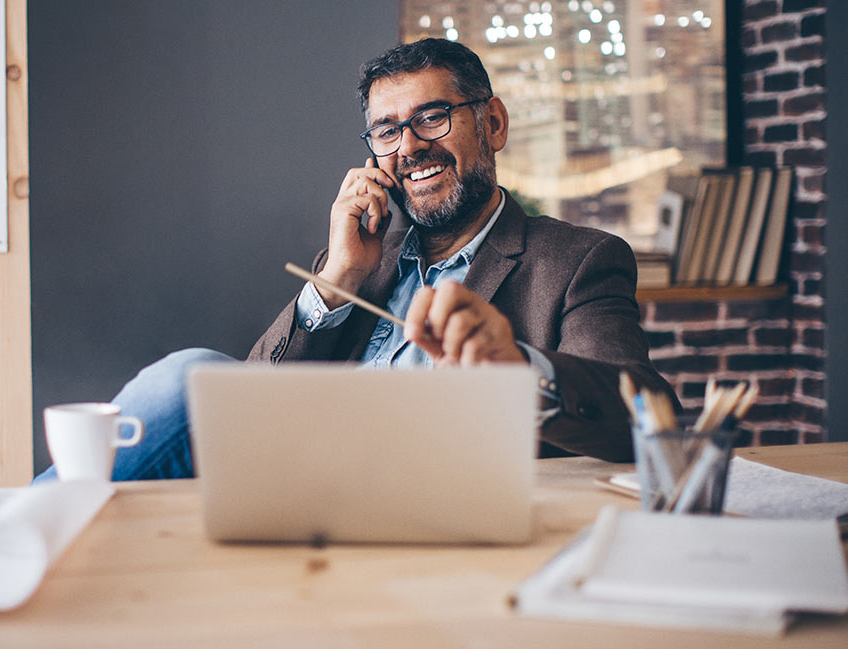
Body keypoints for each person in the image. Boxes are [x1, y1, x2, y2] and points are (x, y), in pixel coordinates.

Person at [39, 38, 678, 482]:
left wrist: (517, 367)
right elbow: (254, 390)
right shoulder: (358, 264)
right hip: (303, 482)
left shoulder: (577, 260)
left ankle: (20, 531)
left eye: (433, 117)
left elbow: (644, 414)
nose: (410, 147)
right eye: (387, 131)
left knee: (188, 377)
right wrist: (336, 280)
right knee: (192, 383)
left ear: (494, 125)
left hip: (438, 496)